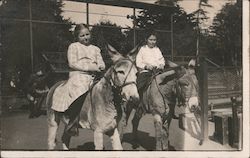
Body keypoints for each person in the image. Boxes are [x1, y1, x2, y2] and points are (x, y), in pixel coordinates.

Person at [51, 23, 105, 112]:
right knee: (81, 89)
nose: (85, 37)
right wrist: (90, 67)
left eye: (87, 34)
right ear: (77, 37)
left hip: (94, 76)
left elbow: (100, 62)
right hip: (78, 75)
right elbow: (72, 64)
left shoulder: (95, 49)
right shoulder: (74, 46)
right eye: (82, 36)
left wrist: (101, 66)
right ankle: (76, 113)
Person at [136, 30, 178, 94]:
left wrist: (161, 65)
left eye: (154, 40)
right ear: (146, 40)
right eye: (150, 40)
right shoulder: (143, 49)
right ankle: (140, 97)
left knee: (170, 80)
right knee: (141, 83)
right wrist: (146, 66)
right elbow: (138, 62)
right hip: (147, 72)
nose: (153, 42)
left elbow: (161, 60)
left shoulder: (157, 49)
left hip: (158, 71)